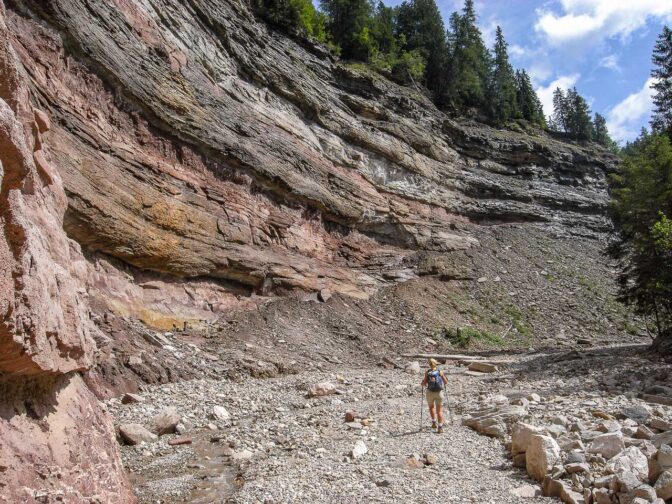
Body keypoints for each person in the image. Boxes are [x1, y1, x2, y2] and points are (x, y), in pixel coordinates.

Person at [422, 358, 448, 433]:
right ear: (436, 364)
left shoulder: (427, 372)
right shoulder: (440, 372)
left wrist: (422, 383)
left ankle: (433, 423)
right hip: (439, 393)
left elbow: (424, 383)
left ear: (429, 364)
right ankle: (440, 427)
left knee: (431, 408)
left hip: (430, 393)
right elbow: (446, 382)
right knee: (439, 411)